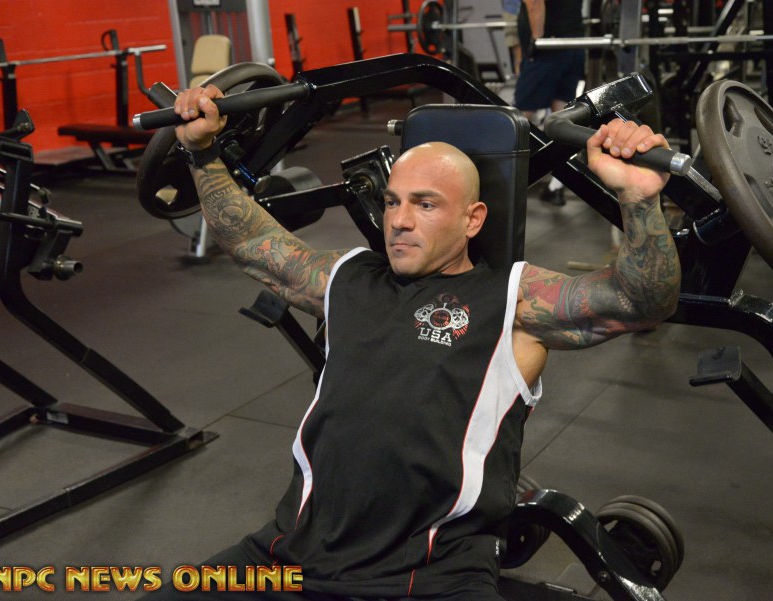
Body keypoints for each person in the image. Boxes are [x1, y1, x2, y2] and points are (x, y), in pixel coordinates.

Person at [146, 83, 680, 600]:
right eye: (392, 201)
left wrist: (637, 200)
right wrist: (202, 153)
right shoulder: (347, 277)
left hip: (430, 579)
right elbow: (250, 241)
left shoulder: (515, 300)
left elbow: (640, 301)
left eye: (425, 205)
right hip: (290, 557)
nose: (399, 221)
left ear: (473, 219)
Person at [514, 0, 587, 206]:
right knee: (562, 119)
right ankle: (556, 186)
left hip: (547, 48)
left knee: (519, 116)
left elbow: (535, 2)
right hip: (573, 44)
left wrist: (536, 41)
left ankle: (496, 183)